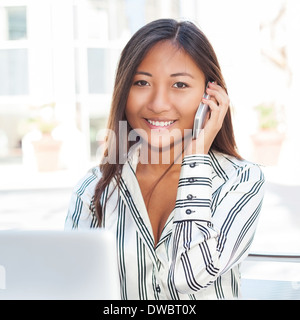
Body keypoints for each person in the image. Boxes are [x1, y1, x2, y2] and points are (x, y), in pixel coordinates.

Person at [65, 19, 265, 300]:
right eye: (142, 82)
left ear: (210, 95)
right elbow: (71, 288)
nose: (158, 104)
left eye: (180, 84)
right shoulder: (94, 188)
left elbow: (190, 277)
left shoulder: (240, 181)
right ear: (125, 90)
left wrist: (196, 157)